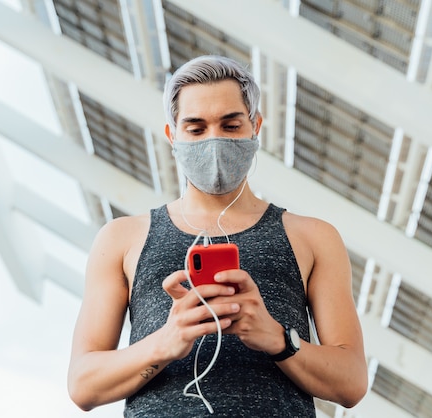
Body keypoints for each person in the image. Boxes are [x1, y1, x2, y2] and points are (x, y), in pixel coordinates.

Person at [67, 55, 368, 417]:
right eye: (196, 129)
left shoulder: (314, 237)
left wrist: (277, 339)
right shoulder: (122, 238)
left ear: (255, 126)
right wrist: (166, 341)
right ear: (172, 135)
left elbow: (351, 382)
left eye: (230, 125)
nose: (214, 140)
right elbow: (83, 385)